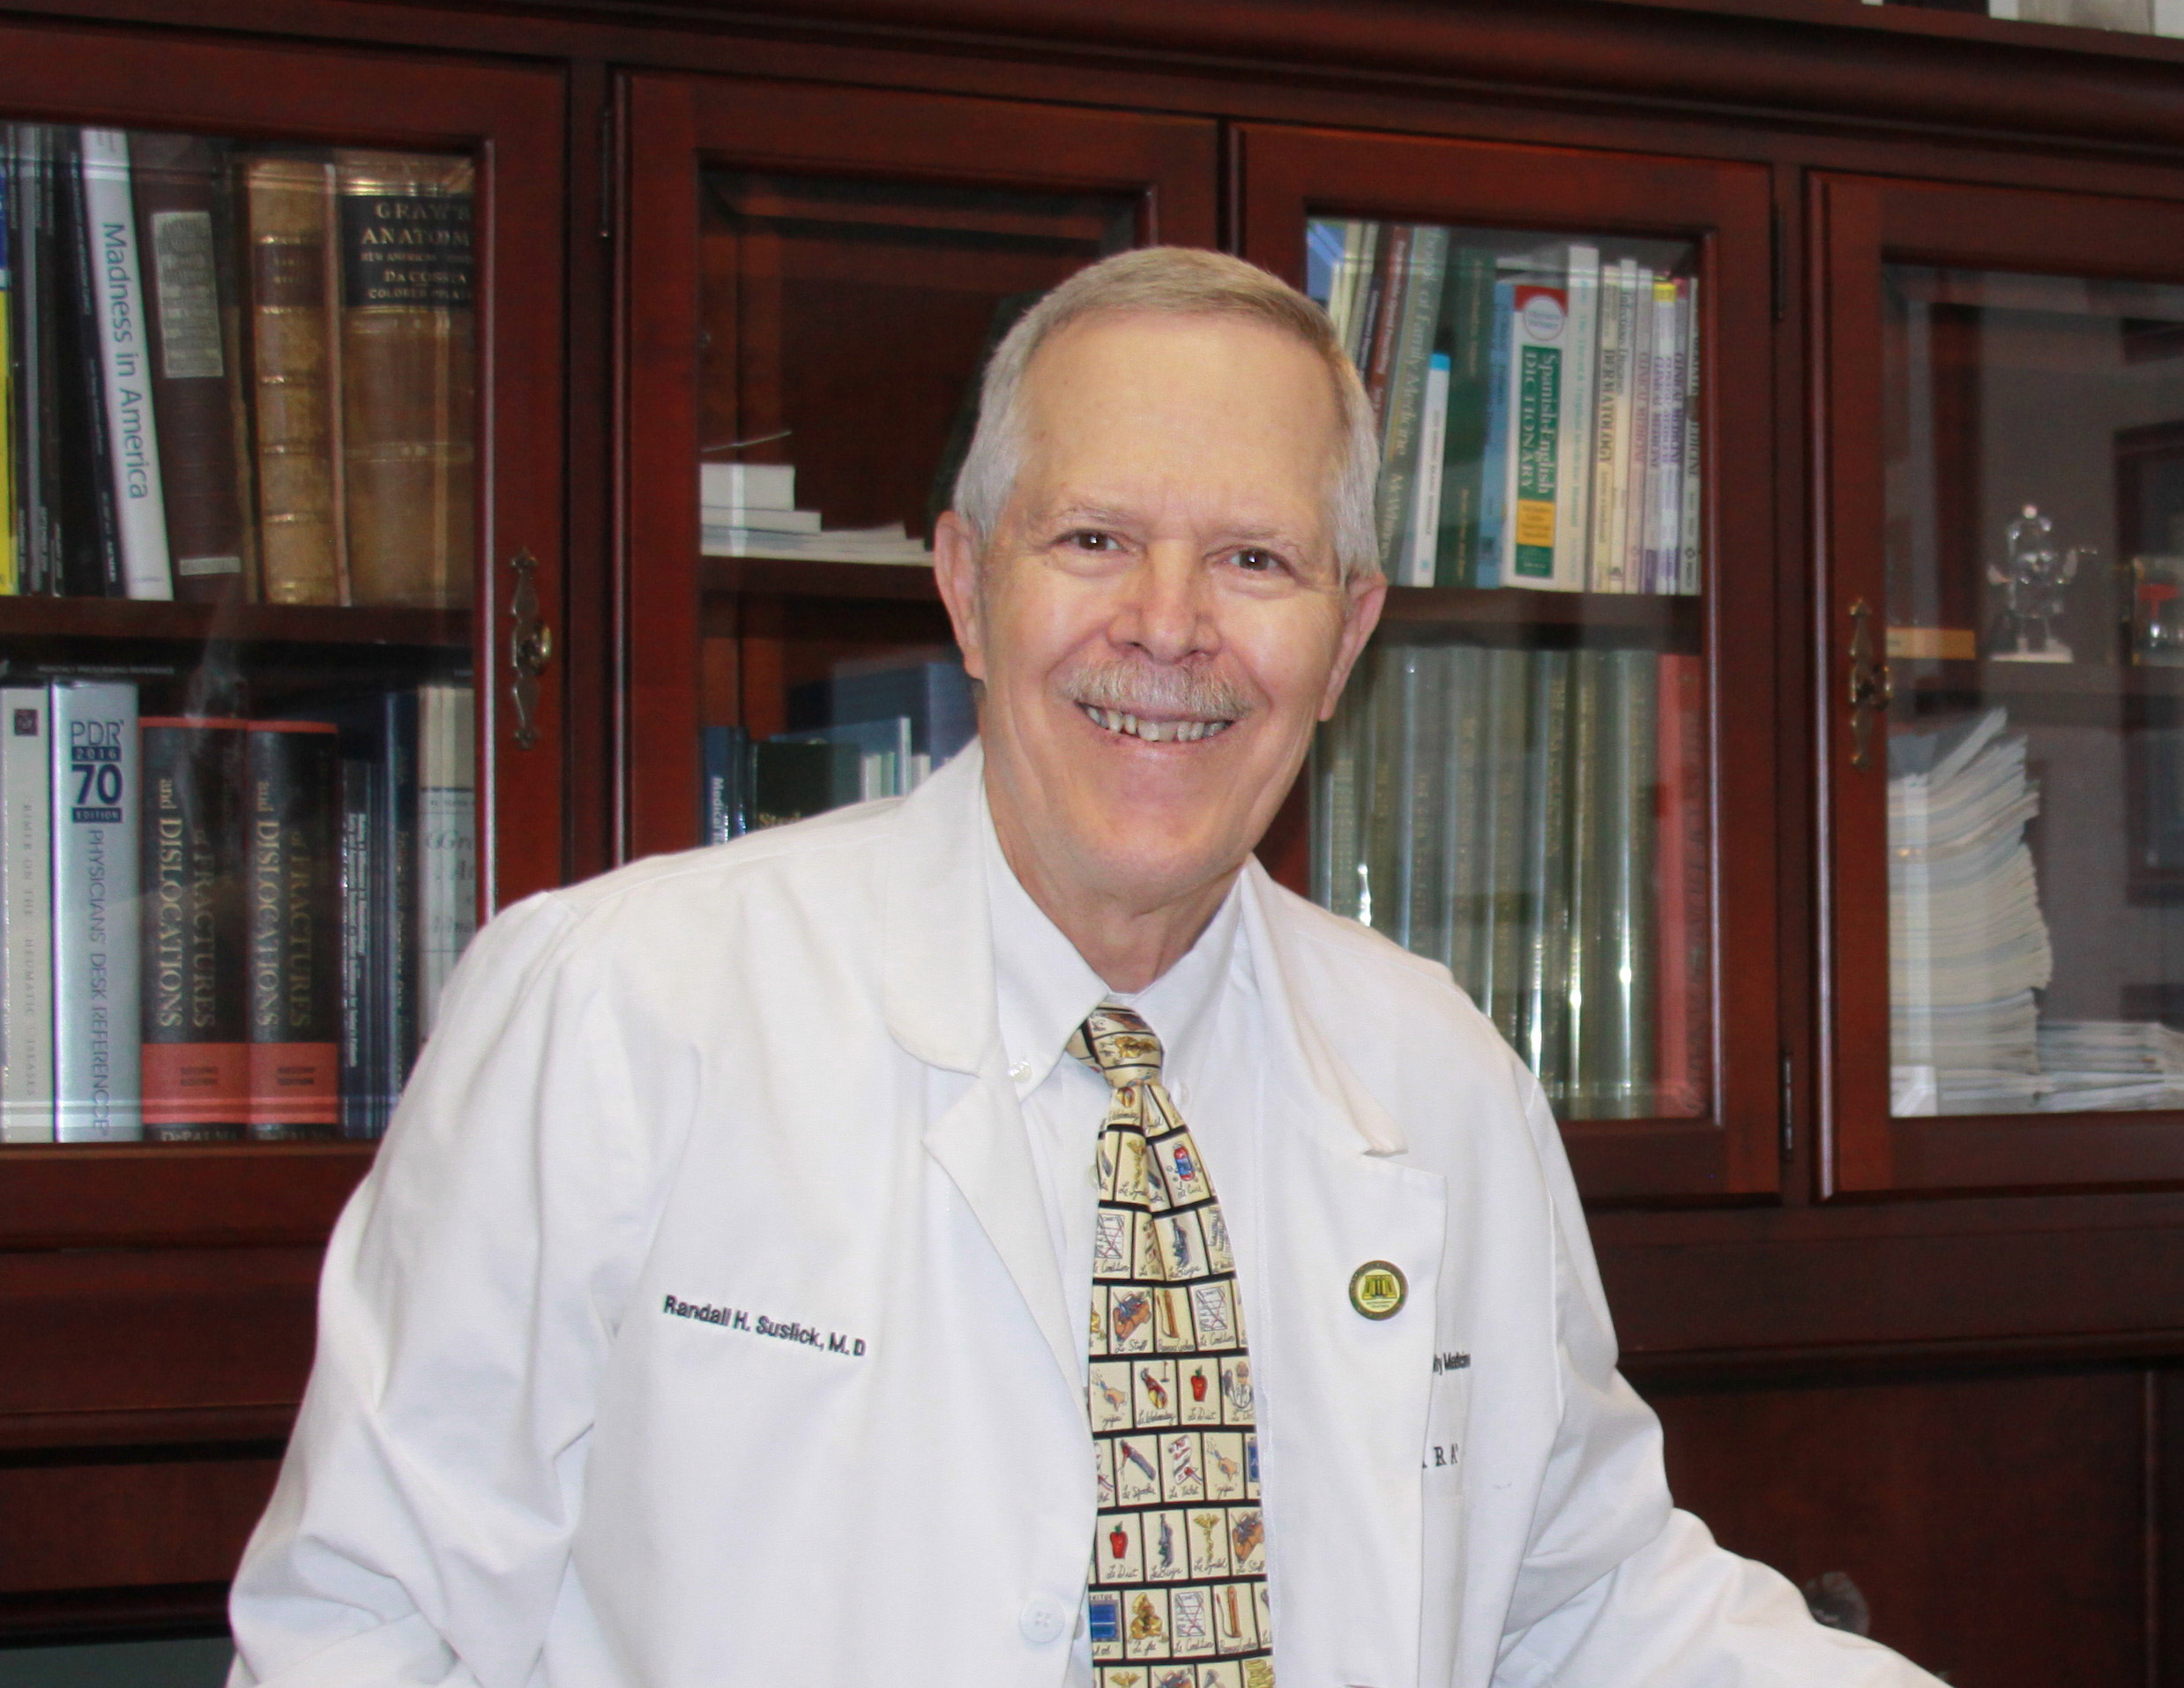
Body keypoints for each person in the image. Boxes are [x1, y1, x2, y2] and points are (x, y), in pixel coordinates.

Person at [227, 247, 1937, 1688]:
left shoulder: (1435, 1076)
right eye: (1095, 540)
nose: (1171, 626)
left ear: (1343, 638)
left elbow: (1584, 1599)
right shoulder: (619, 1003)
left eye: (1255, 559)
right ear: (969, 587)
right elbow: (362, 1633)